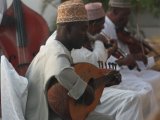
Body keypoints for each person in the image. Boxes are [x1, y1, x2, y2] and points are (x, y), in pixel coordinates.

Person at [25, 1, 113, 120]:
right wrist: (86, 91)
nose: (86, 35)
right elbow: (60, 70)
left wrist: (102, 81)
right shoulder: (56, 53)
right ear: (67, 29)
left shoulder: (56, 47)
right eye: (83, 29)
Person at [71, 2, 153, 120]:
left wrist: (109, 52)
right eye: (101, 24)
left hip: (99, 85)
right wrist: (100, 42)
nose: (103, 28)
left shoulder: (90, 38)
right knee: (133, 98)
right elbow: (96, 62)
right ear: (91, 24)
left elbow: (100, 63)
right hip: (86, 93)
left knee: (143, 89)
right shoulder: (77, 42)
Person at [102, 0, 159, 115]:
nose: (127, 20)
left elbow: (125, 54)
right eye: (125, 16)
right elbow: (104, 61)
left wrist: (135, 58)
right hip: (115, 73)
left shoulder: (119, 28)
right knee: (146, 88)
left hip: (126, 70)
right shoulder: (103, 28)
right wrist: (125, 60)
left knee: (157, 78)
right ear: (115, 11)